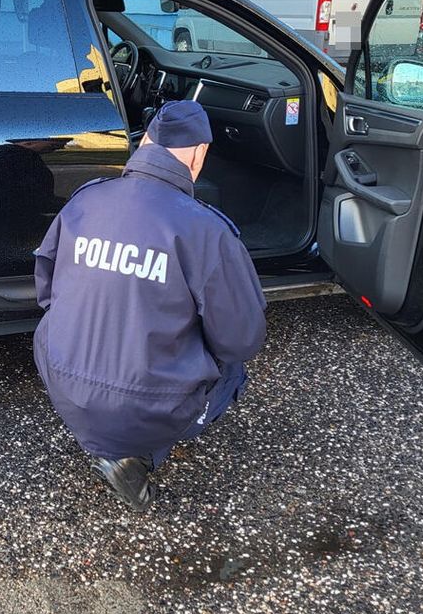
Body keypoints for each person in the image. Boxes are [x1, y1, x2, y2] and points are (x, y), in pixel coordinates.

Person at [33, 100, 267, 512]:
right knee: (233, 372)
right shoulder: (206, 230)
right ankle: (136, 455)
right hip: (143, 403)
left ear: (146, 144)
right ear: (199, 154)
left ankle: (107, 436)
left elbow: (47, 291)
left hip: (62, 381)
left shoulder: (85, 200)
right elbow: (242, 340)